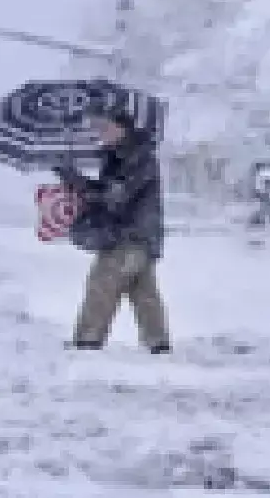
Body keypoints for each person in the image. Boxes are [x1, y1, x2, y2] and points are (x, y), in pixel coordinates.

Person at [53, 107, 170, 354]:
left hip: (128, 235)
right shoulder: (118, 157)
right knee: (143, 291)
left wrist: (80, 185)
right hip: (138, 236)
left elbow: (116, 195)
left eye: (105, 127)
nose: (100, 133)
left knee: (102, 282)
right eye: (99, 127)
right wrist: (72, 177)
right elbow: (107, 191)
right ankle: (158, 344)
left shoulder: (140, 158)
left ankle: (86, 341)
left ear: (122, 128)